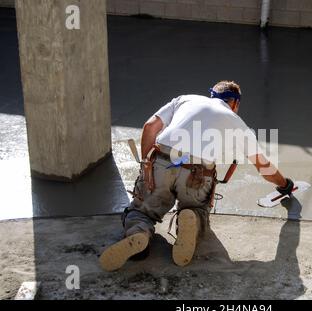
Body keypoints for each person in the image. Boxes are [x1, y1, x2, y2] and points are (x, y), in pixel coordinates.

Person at [99, 80, 294, 271]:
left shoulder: (185, 99)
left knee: (143, 210)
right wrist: (284, 184)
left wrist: (147, 166)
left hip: (162, 160)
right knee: (197, 209)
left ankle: (138, 232)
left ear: (212, 95)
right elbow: (264, 166)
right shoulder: (236, 121)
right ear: (235, 103)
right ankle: (192, 217)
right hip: (198, 172)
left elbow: (150, 126)